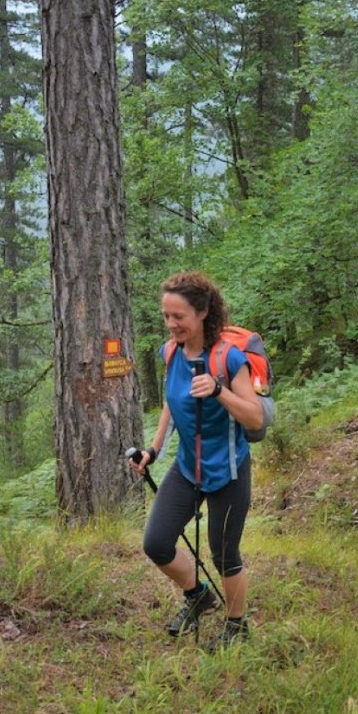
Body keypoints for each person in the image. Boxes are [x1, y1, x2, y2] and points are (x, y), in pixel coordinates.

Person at [133, 272, 266, 650]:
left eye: (179, 316)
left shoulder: (229, 358)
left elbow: (254, 417)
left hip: (228, 471)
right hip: (187, 467)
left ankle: (237, 627)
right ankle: (198, 596)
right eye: (166, 316)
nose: (172, 324)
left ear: (204, 312)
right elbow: (171, 405)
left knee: (225, 554)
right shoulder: (170, 352)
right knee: (157, 543)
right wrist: (153, 450)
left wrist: (218, 389)